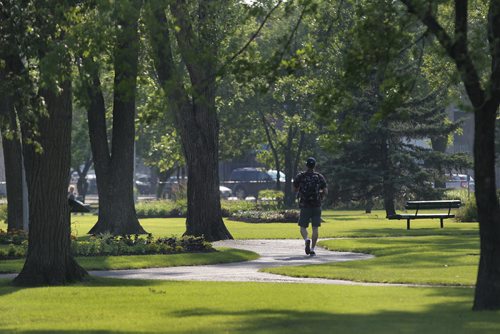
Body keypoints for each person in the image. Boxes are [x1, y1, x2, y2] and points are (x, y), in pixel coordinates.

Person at [293, 157, 328, 256]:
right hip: (316, 205)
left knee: (302, 227)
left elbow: (294, 189)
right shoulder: (319, 176)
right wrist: (321, 196)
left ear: (306, 165)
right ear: (314, 166)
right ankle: (312, 249)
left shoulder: (301, 176)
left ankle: (306, 239)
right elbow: (326, 191)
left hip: (305, 205)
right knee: (315, 228)